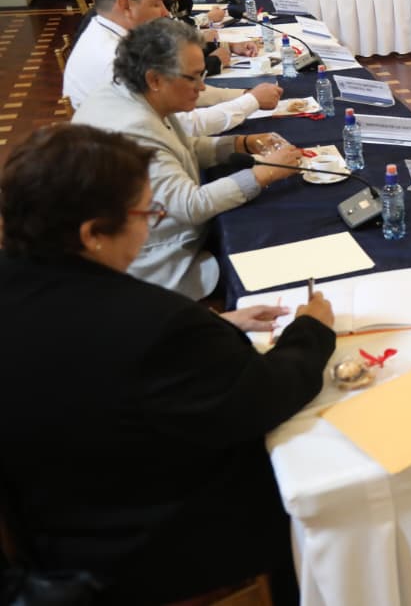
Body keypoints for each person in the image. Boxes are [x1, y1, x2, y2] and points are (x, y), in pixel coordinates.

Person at [0, 123, 335, 605]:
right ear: (93, 234)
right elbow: (259, 398)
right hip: (148, 549)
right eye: (146, 213)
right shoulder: (153, 325)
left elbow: (89, 361)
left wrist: (219, 325)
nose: (152, 224)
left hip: (47, 526)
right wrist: (311, 331)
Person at [72, 18, 302, 299]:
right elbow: (191, 205)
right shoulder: (135, 127)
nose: (201, 87)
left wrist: (241, 143)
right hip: (156, 264)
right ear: (155, 79)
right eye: (193, 78)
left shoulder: (129, 94)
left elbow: (183, 147)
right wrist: (266, 172)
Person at [62, 0, 280, 135]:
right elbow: (183, 126)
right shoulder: (112, 59)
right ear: (125, 6)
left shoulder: (111, 33)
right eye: (156, 4)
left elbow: (178, 89)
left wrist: (242, 94)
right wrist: (251, 102)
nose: (165, 13)